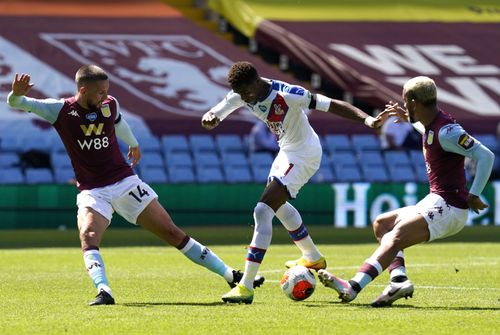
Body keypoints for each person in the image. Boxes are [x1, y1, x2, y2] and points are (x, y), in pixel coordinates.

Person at [6, 65, 264, 306]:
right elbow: (18, 103)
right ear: (83, 90)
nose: (105, 95)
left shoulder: (110, 104)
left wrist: (133, 143)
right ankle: (104, 291)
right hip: (92, 190)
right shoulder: (59, 110)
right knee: (88, 236)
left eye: (107, 91)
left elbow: (118, 122)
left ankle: (231, 275)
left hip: (125, 182)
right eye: (100, 92)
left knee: (173, 233)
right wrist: (15, 95)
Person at [201, 61, 386, 304]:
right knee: (277, 207)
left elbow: (331, 105)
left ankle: (245, 286)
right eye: (240, 93)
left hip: (305, 153)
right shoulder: (241, 94)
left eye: (246, 92)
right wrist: (211, 117)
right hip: (286, 152)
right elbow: (219, 110)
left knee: (262, 210)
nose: (245, 97)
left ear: (256, 82)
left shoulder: (288, 94)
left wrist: (368, 121)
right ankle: (312, 257)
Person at [317, 76, 495, 307]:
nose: (403, 104)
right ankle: (398, 280)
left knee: (395, 236)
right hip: (437, 200)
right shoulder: (432, 124)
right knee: (382, 224)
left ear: (413, 102)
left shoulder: (447, 131)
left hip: (450, 206)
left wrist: (474, 193)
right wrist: (407, 117)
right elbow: (428, 131)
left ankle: (353, 286)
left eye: (404, 101)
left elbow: (486, 156)